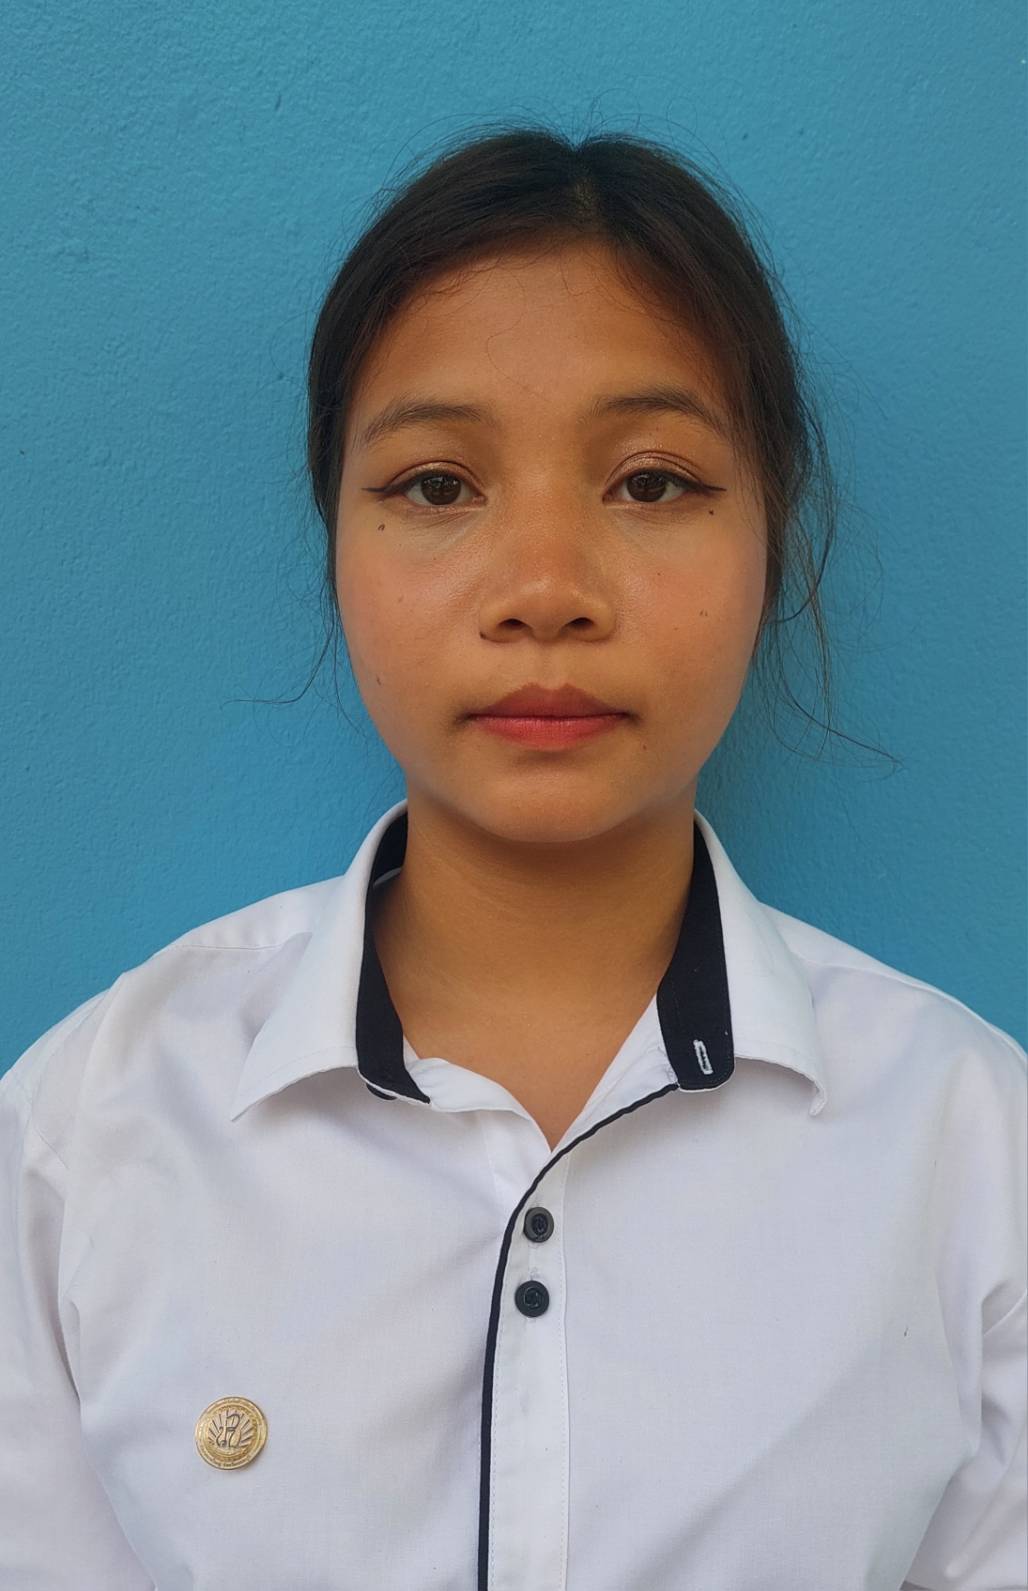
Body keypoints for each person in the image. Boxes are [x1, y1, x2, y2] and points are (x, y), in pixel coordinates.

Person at [2, 124, 1024, 1591]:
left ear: (773, 538)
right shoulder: (86, 1138)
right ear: (336, 543)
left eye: (653, 483)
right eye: (437, 486)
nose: (546, 590)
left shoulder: (971, 1153)